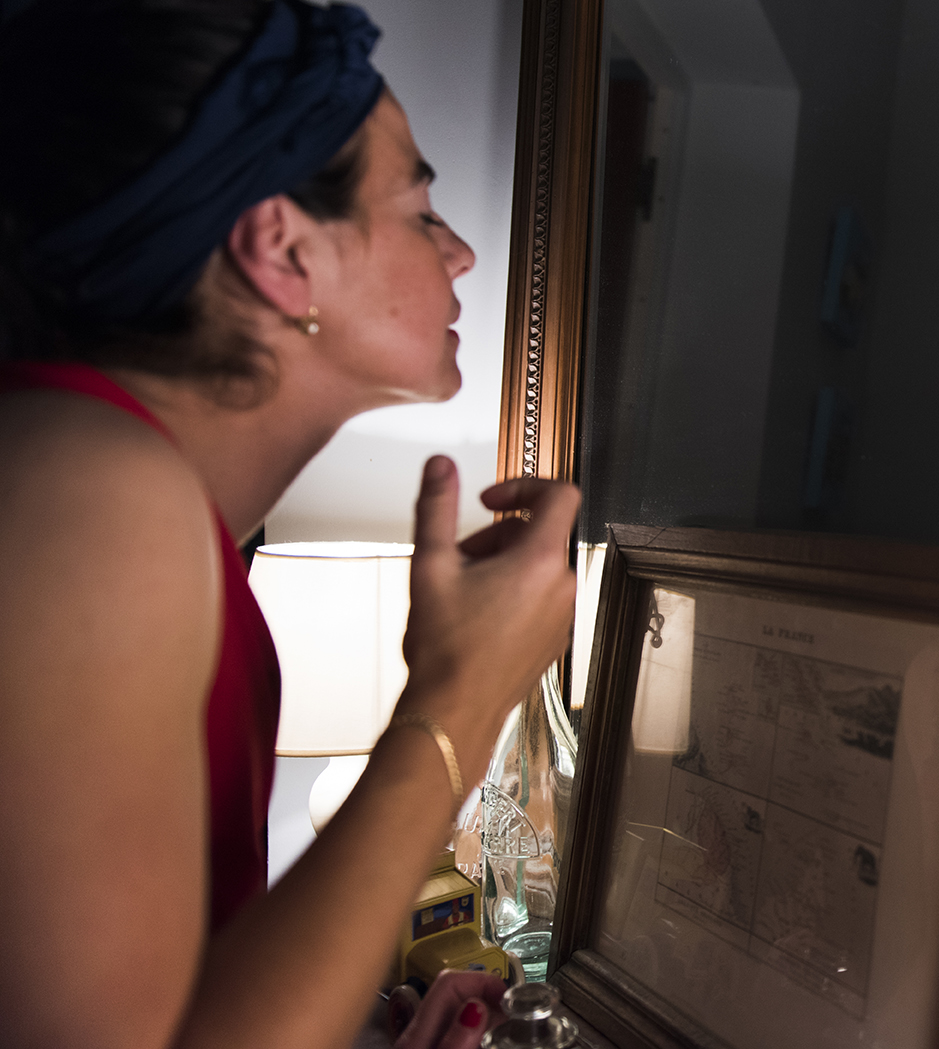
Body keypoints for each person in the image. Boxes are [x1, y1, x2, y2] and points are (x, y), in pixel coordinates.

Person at [0, 2, 578, 1047]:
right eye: (418, 210)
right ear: (282, 248)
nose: (458, 253)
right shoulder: (90, 490)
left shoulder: (146, 501)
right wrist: (461, 695)